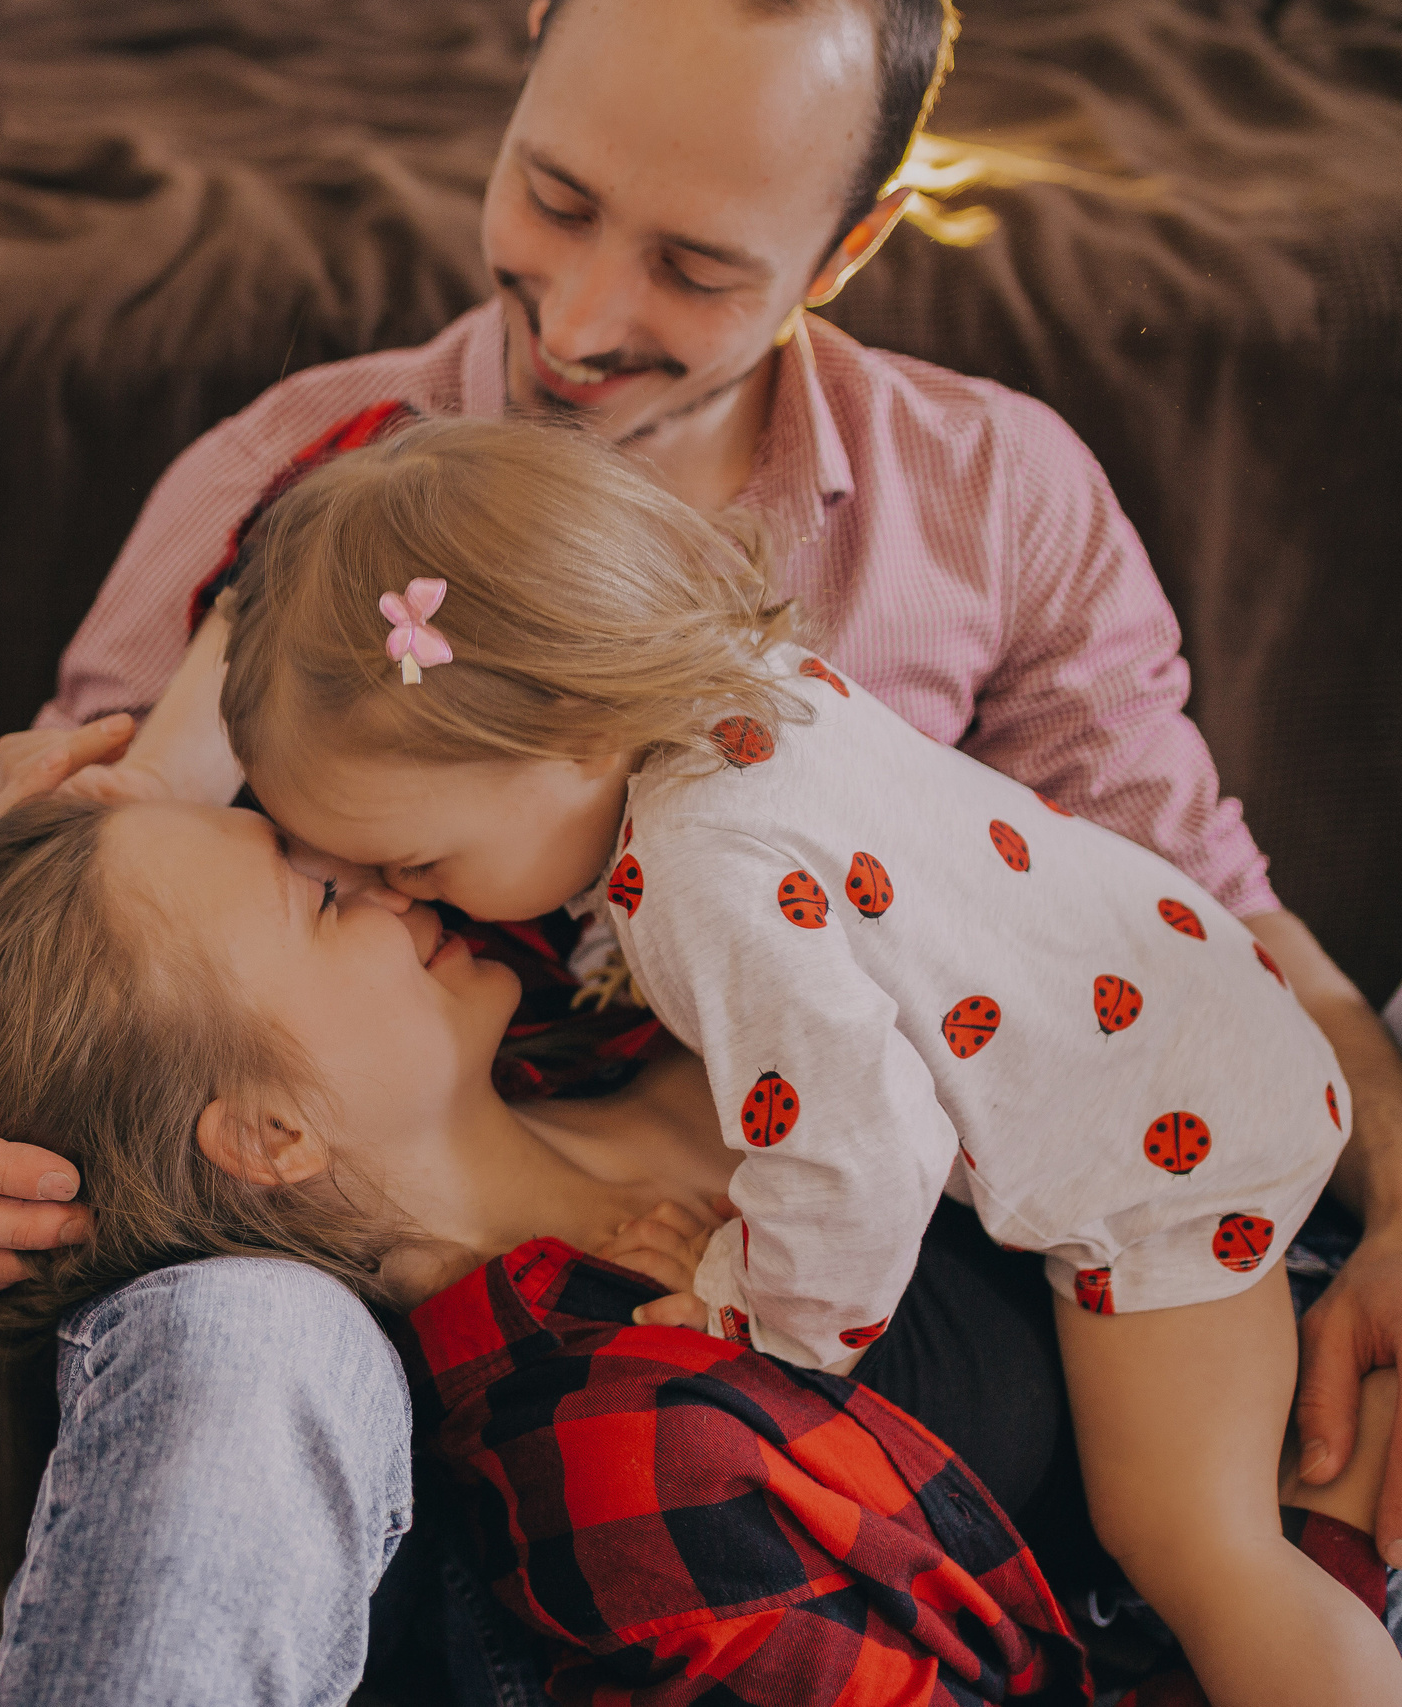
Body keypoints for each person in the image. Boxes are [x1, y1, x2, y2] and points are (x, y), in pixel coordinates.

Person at [0, 0, 1402, 1690]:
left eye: (697, 268)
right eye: (553, 197)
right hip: (464, 1358)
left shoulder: (986, 501)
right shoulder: (301, 490)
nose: (581, 321)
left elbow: (1184, 915)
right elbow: (85, 909)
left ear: (850, 243)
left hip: (948, 1265)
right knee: (229, 1337)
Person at [198, 413, 1393, 1702]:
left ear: (569, 739)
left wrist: (750, 1313)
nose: (407, 900)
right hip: (1188, 1026)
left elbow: (857, 1152)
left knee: (1197, 1550)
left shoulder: (705, 881)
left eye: (416, 864)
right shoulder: (747, 693)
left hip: (1168, 1160)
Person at [0, 787, 1398, 1702]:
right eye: (323, 892)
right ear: (273, 1134)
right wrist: (1320, 1529)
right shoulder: (613, 1433)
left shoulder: (606, 994)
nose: (383, 866)